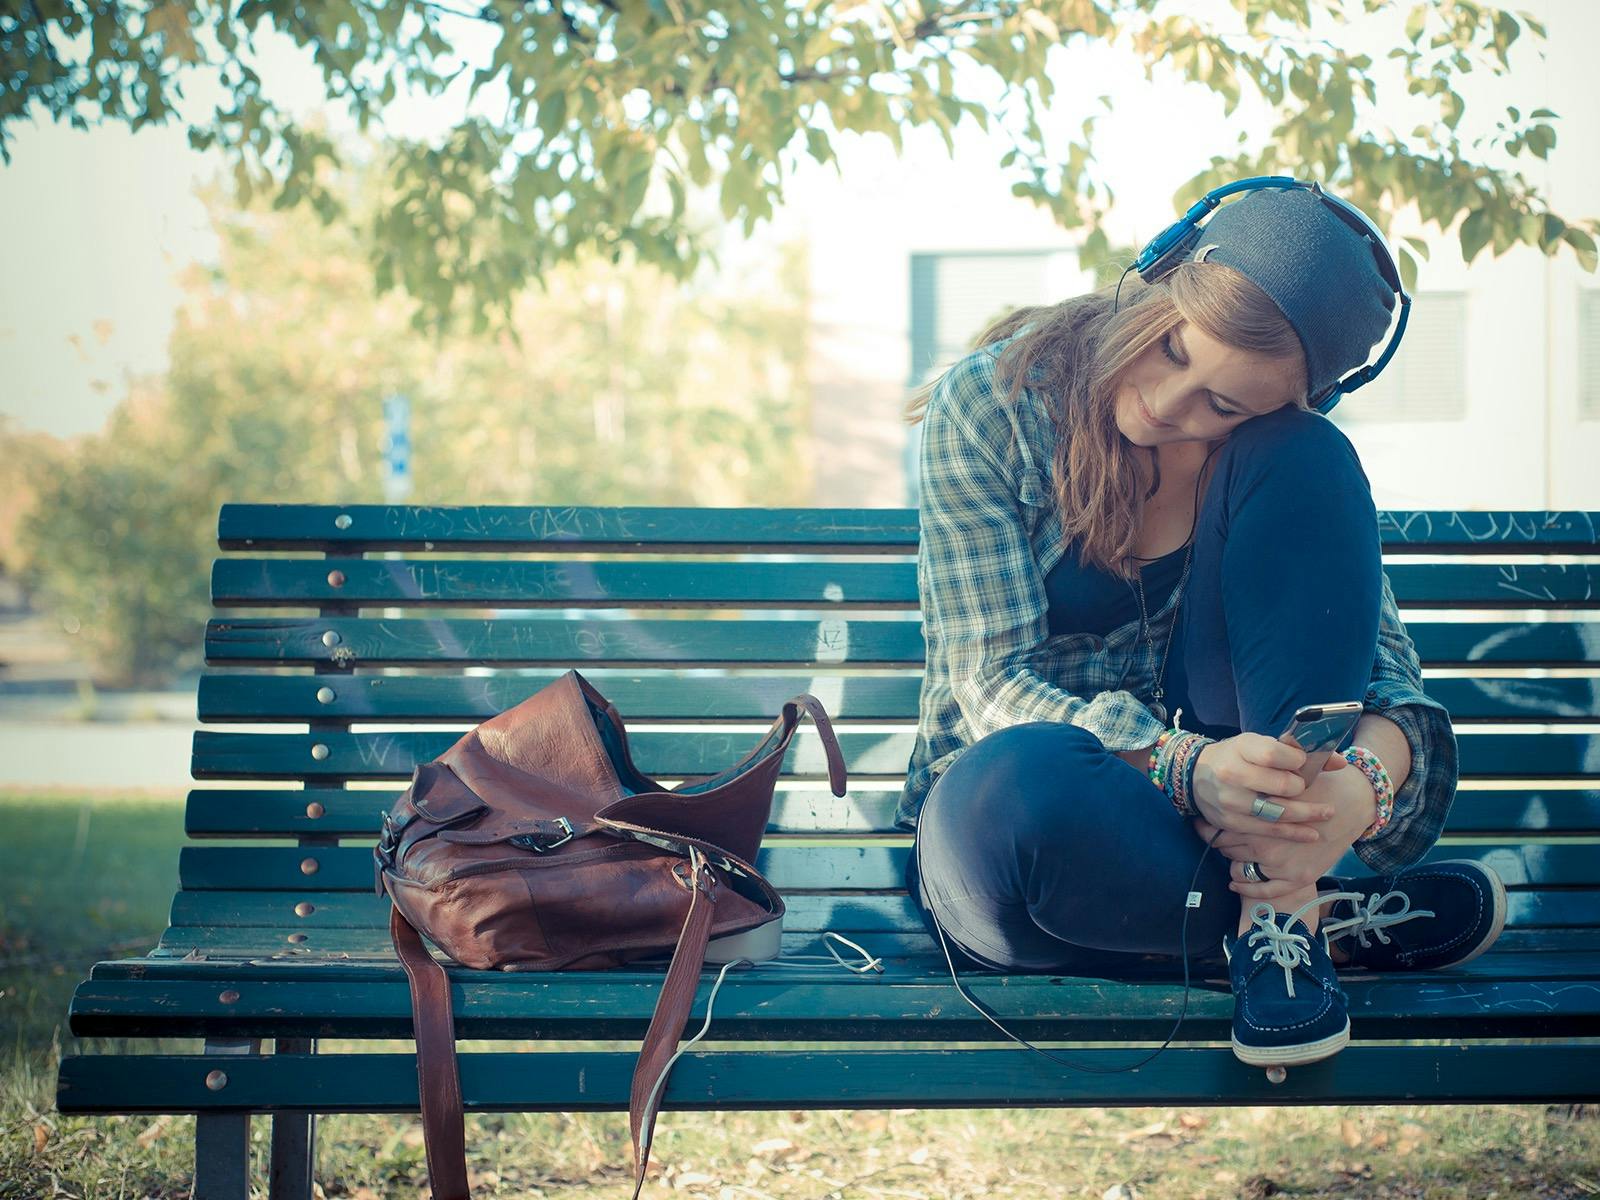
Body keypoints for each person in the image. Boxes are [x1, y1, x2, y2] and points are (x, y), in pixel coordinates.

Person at [896, 183, 1506, 1068]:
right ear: (1160, 276)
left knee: (1310, 464)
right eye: (1173, 348)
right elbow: (988, 682)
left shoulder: (1282, 456)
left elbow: (1388, 681)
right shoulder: (997, 405)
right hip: (1033, 845)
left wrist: (1355, 792)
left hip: (1214, 845)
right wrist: (1183, 766)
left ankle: (1276, 922)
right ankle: (1313, 923)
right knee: (1022, 788)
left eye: (1225, 405)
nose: (1169, 404)